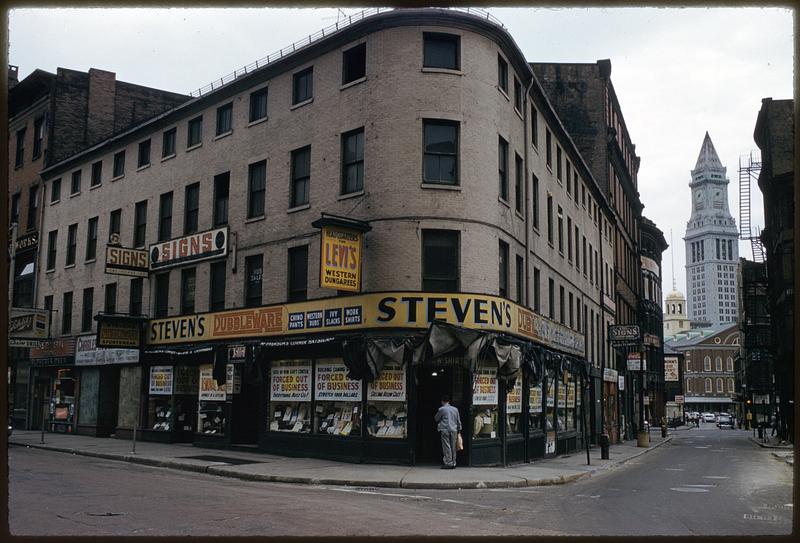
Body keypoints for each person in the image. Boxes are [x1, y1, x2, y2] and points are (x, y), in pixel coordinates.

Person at [434, 394, 462, 469]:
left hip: (445, 429)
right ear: (449, 401)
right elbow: (458, 421)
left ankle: (448, 462)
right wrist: (459, 429)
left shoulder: (442, 409)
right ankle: (454, 462)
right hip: (454, 429)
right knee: (453, 446)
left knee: (446, 446)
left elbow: (436, 418)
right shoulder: (455, 409)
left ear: (442, 401)